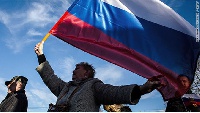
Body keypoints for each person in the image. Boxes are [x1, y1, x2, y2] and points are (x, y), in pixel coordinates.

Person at [34, 41, 161, 112]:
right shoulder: (65, 87)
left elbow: (115, 92)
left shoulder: (93, 85)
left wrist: (141, 89)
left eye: (77, 68)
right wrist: (40, 55)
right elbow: (49, 76)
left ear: (86, 73)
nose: (73, 71)